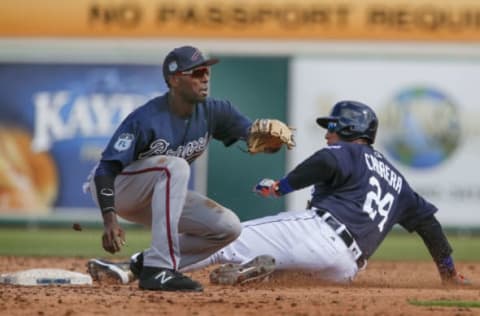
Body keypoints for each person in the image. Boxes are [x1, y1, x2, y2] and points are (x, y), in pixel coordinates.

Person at [88, 100, 470, 286]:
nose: (328, 132)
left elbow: (325, 162)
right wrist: (448, 272)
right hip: (347, 268)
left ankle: (131, 268)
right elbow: (429, 225)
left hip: (319, 232)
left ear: (353, 131)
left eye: (333, 126)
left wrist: (280, 186)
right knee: (288, 282)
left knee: (225, 236)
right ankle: (258, 274)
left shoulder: (347, 151)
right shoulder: (398, 181)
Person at [84, 45, 292, 292]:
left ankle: (145, 265)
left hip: (161, 193)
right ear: (174, 79)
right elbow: (106, 169)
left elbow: (254, 138)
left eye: (207, 71)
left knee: (227, 228)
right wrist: (110, 219)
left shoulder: (215, 111)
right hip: (119, 187)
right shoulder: (147, 118)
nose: (205, 77)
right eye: (196, 72)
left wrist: (272, 144)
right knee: (175, 166)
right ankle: (160, 270)